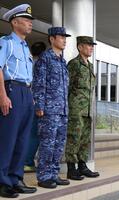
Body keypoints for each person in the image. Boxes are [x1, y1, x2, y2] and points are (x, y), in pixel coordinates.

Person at [0, 4, 37, 198]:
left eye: (31, 21)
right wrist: (2, 95)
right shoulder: (6, 42)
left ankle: (16, 178)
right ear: (15, 22)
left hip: (25, 93)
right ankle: (2, 182)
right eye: (26, 20)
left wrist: (30, 96)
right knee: (8, 139)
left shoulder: (25, 47)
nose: (30, 23)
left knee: (22, 140)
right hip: (11, 90)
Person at [32, 27, 71, 188]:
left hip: (62, 110)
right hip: (48, 109)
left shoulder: (62, 61)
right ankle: (44, 176)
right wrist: (39, 105)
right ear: (52, 39)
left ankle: (54, 173)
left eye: (65, 37)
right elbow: (39, 84)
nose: (64, 40)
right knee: (47, 143)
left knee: (59, 143)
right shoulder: (45, 58)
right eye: (61, 37)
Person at [65, 36, 99, 180]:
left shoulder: (90, 65)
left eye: (92, 45)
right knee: (74, 137)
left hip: (88, 108)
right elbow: (67, 86)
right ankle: (71, 169)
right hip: (75, 108)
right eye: (88, 45)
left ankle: (82, 166)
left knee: (85, 138)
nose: (91, 47)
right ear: (80, 47)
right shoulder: (74, 64)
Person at [24, 42, 47, 173]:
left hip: (29, 102)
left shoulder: (30, 63)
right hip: (36, 104)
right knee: (35, 135)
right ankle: (27, 161)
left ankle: (27, 161)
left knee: (31, 134)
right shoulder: (40, 64)